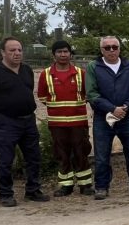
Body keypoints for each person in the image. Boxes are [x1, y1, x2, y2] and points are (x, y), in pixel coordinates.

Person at [0, 37, 50, 207]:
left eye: (19, 50)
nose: (17, 53)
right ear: (3, 52)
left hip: (28, 120)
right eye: (12, 50)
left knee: (34, 157)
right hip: (6, 122)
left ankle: (33, 190)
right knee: (5, 160)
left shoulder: (26, 70)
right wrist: (0, 112)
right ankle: (6, 194)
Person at [86, 36, 129, 200]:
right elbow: (92, 94)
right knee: (102, 156)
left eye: (114, 47)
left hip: (126, 117)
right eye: (107, 48)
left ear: (119, 48)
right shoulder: (94, 67)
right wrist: (111, 109)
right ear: (101, 50)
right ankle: (101, 187)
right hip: (103, 118)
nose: (111, 50)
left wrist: (125, 107)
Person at [37, 39, 93, 197]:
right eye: (59, 52)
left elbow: (87, 94)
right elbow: (42, 96)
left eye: (66, 51)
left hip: (78, 122)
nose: (63, 55)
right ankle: (66, 185)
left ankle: (85, 185)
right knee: (61, 153)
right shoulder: (46, 74)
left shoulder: (81, 73)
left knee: (81, 152)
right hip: (57, 123)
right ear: (53, 55)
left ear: (70, 54)